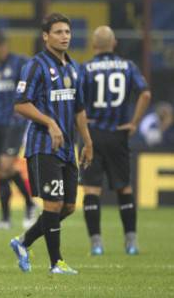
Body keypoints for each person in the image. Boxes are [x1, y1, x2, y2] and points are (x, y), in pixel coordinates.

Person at [9, 13, 93, 274]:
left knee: (67, 207)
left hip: (68, 147)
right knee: (53, 204)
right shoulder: (35, 66)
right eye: (58, 32)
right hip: (44, 146)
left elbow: (79, 109)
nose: (64, 36)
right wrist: (50, 122)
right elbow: (21, 104)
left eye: (67, 31)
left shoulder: (73, 67)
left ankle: (23, 241)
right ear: (45, 36)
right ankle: (56, 263)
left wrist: (88, 142)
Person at [80, 26, 151, 255]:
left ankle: (96, 244)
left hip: (92, 134)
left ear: (94, 46)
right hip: (119, 134)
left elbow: (75, 101)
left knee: (91, 189)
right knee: (124, 188)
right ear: (115, 43)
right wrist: (134, 122)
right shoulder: (128, 66)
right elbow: (146, 94)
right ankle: (131, 242)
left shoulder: (85, 69)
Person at [0, 31, 37, 231]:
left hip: (15, 122)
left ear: (3, 46)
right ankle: (5, 219)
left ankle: (30, 205)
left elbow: (30, 89)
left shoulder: (19, 64)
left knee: (6, 164)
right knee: (0, 169)